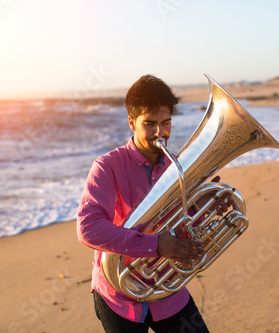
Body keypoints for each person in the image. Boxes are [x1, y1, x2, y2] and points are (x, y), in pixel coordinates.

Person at [77, 74, 211, 333]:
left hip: (168, 290)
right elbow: (88, 228)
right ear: (132, 122)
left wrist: (200, 209)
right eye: (150, 123)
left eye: (166, 122)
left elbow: (181, 224)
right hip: (119, 294)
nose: (160, 132)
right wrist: (156, 245)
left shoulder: (178, 166)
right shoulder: (107, 167)